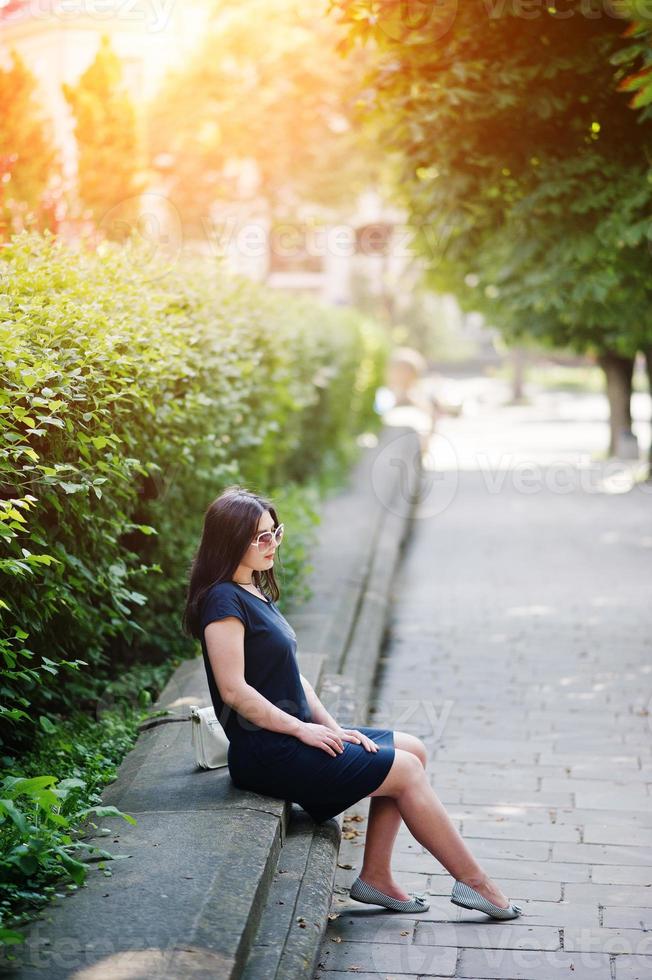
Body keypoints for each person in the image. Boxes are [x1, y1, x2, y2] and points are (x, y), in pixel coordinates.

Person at [182, 485, 521, 919]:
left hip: (295, 735)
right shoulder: (223, 602)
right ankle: (476, 883)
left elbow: (293, 677)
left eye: (275, 533)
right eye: (261, 538)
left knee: (412, 747)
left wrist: (334, 726)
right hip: (268, 752)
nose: (272, 545)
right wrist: (303, 729)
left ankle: (376, 877)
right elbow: (234, 691)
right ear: (230, 542)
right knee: (406, 769)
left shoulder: (252, 588)